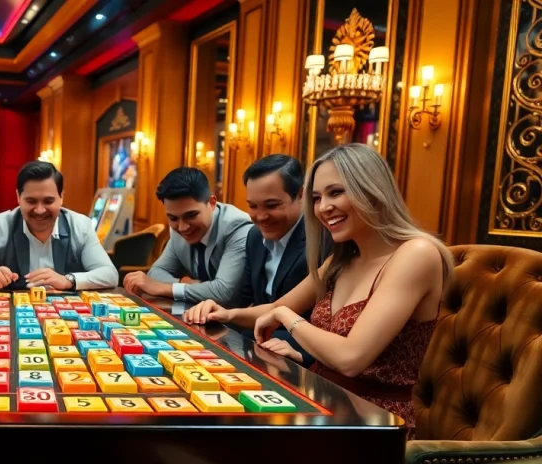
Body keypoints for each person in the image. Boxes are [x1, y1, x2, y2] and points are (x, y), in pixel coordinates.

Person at [184, 143, 453, 440]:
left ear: (372, 190)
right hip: (319, 407)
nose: (323, 207)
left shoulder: (416, 253)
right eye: (317, 197)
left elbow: (351, 358)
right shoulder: (341, 260)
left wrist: (289, 320)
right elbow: (278, 306)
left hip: (372, 428)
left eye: (336, 192)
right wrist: (226, 313)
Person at [188, 155, 314, 364]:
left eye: (272, 205)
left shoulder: (320, 241)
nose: (260, 216)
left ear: (300, 195)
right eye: (253, 206)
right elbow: (241, 298)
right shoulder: (254, 236)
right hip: (260, 343)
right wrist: (214, 308)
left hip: (299, 350)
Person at [0, 161, 118, 291]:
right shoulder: (1, 224)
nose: (40, 210)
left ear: (61, 197)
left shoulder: (80, 225)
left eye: (48, 201)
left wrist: (68, 280)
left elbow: (109, 274)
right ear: (18, 197)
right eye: (31, 201)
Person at [123, 167, 251, 305]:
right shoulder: (178, 230)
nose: (183, 227)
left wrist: (166, 288)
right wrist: (182, 283)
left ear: (212, 203)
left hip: (239, 323)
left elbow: (224, 292)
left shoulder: (238, 227)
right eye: (173, 218)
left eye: (191, 215)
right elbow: (156, 273)